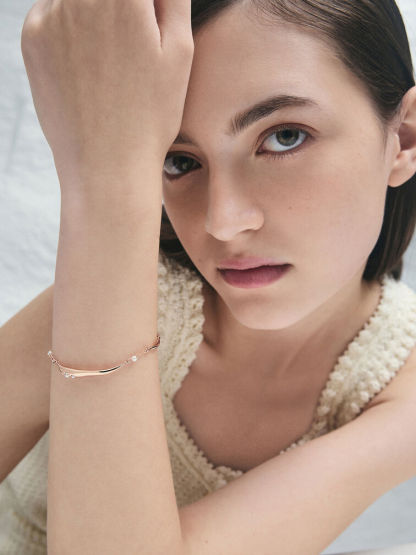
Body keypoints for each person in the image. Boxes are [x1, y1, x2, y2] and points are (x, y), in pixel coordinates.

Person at [0, 0, 416, 553]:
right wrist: (104, 180)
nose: (223, 221)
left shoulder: (399, 383)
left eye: (285, 137)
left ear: (404, 137)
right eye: (180, 160)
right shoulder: (127, 295)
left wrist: (102, 189)